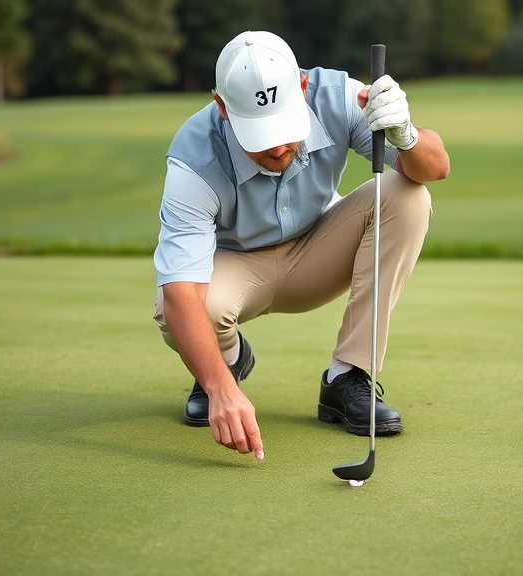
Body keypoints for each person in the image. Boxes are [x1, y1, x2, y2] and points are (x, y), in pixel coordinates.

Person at [152, 30, 450, 461]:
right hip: (235, 268)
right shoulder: (192, 160)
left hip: (320, 249)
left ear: (303, 87)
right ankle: (228, 361)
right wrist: (220, 387)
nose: (277, 146)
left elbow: (437, 167)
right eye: (260, 134)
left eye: (284, 127)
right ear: (222, 106)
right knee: (172, 306)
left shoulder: (341, 97)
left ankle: (347, 376)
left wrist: (407, 134)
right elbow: (182, 293)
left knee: (409, 196)